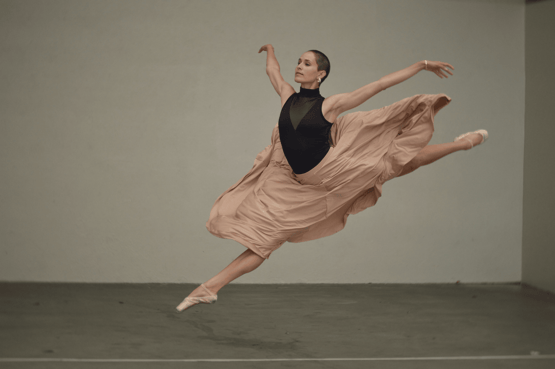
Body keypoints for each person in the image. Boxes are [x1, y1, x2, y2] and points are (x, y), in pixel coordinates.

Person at [176, 44, 488, 312]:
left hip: (336, 171)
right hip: (297, 184)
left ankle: (464, 143)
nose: (299, 66)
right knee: (267, 238)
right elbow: (273, 72)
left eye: (307, 63)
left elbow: (379, 85)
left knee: (397, 161)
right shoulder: (287, 97)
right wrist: (270, 49)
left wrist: (421, 65)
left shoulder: (330, 105)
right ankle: (210, 288)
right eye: (298, 61)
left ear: (320, 74)